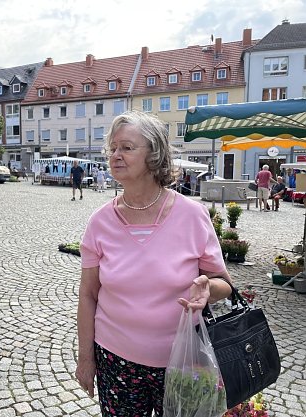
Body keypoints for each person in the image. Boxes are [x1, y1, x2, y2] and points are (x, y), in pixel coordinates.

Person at [75, 111, 232, 417]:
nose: (116, 155)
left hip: (181, 361)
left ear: (155, 155)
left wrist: (208, 288)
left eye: (127, 147)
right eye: (113, 148)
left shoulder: (192, 215)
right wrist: (85, 358)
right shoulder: (100, 222)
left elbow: (224, 284)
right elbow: (88, 294)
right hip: (115, 359)